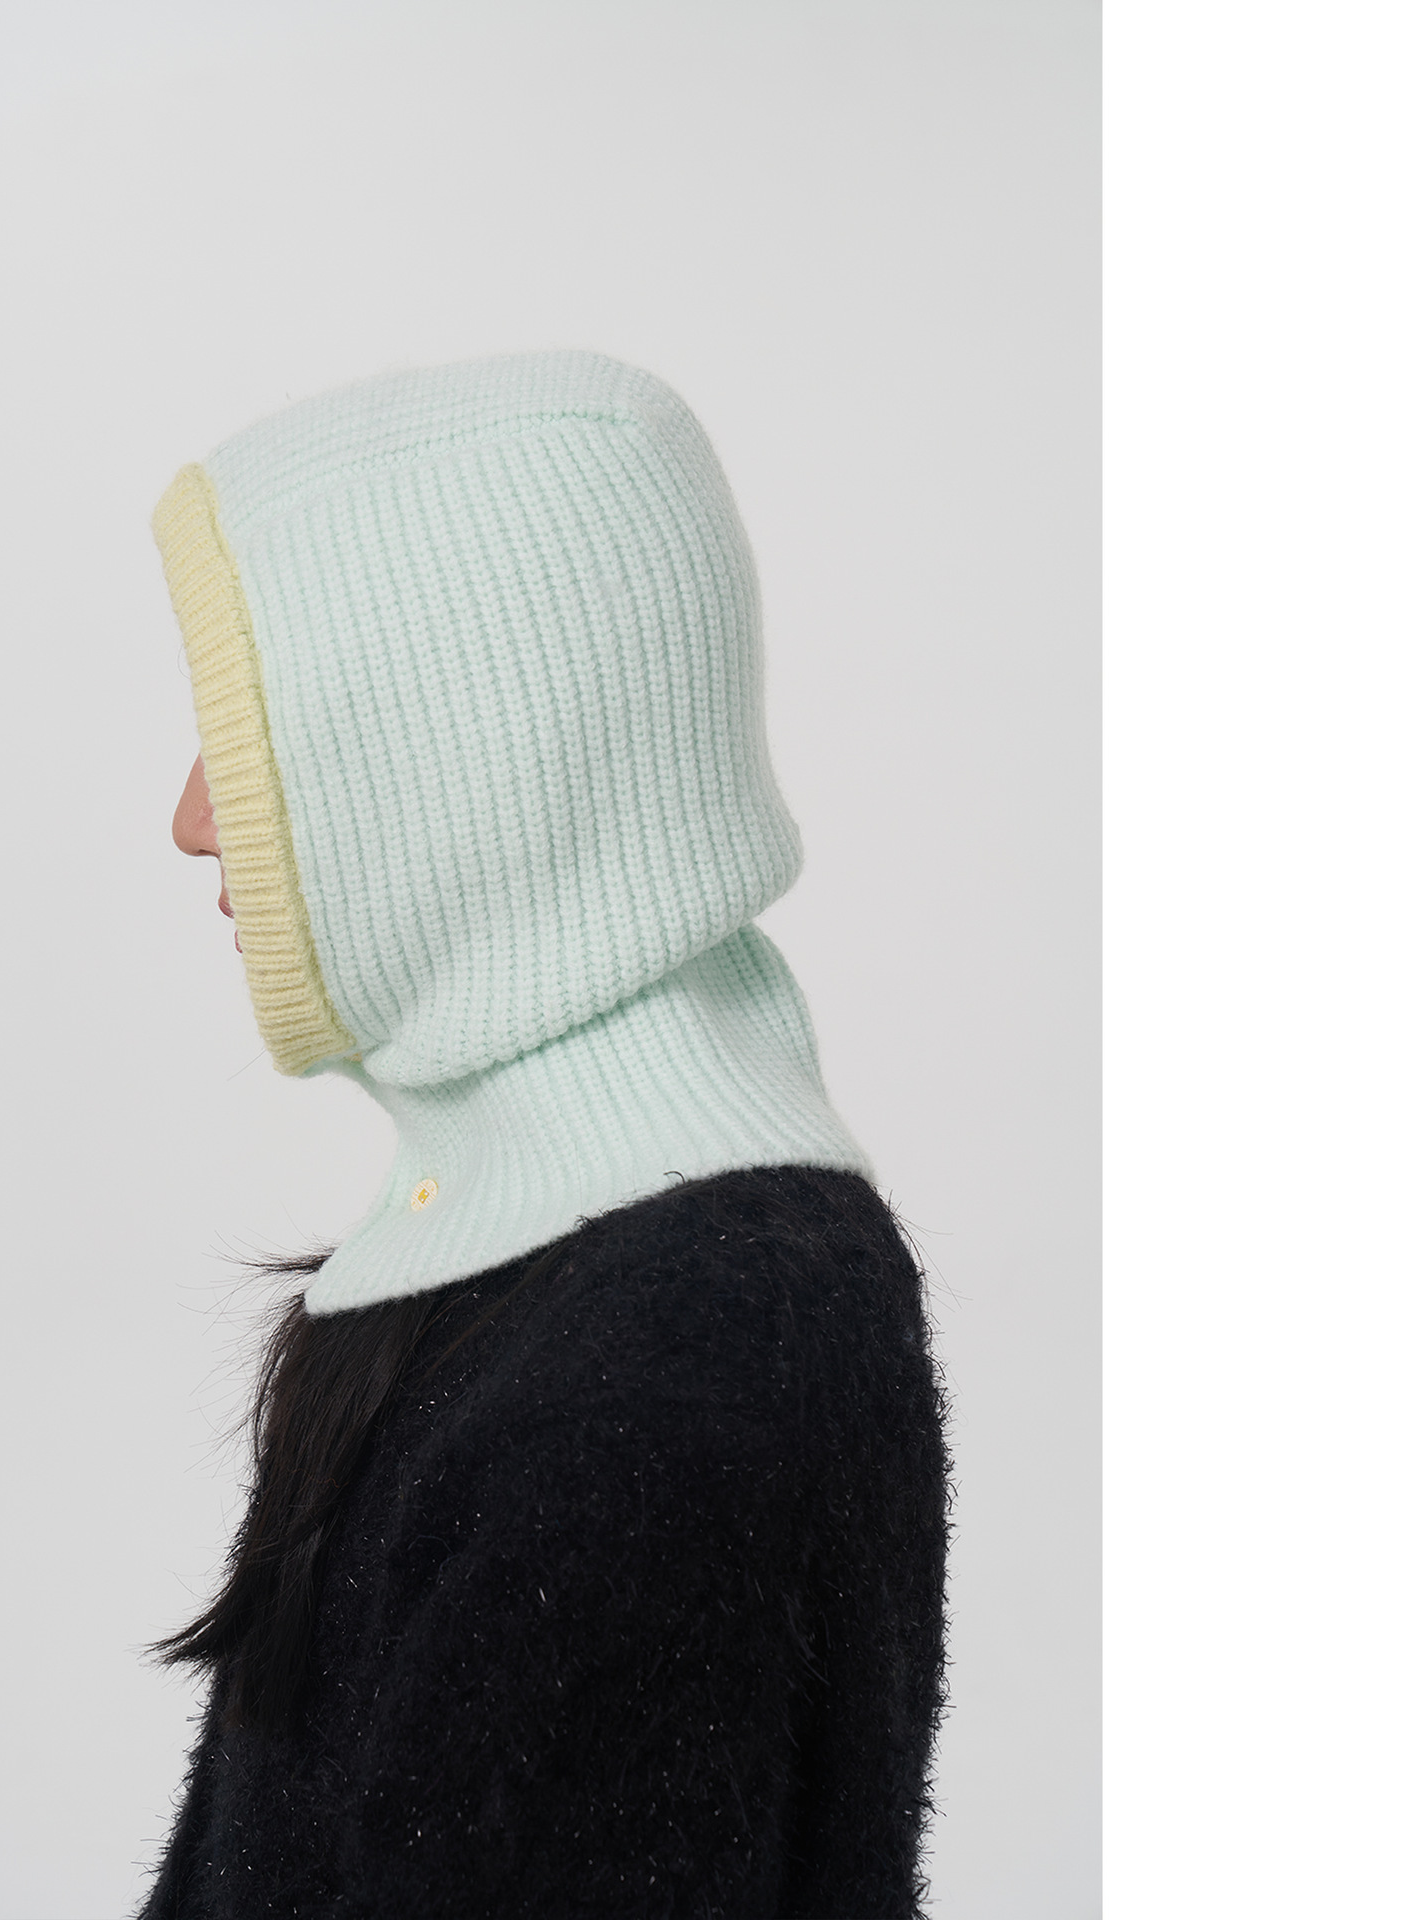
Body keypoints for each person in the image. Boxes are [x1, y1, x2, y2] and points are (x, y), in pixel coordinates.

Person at [141, 351, 949, 1919]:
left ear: (467, 767)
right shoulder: (587, 1284)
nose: (190, 817)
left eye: (253, 733)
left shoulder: (669, 1368)